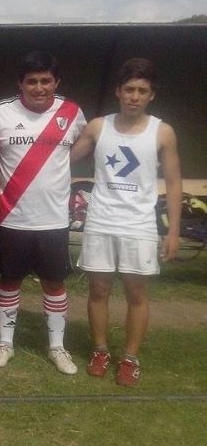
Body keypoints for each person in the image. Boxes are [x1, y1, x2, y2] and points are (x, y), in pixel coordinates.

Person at [71, 58, 181, 386]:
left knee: (136, 293)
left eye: (142, 91)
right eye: (129, 89)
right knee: (99, 290)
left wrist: (173, 231)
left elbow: (174, 183)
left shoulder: (162, 132)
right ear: (118, 91)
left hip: (140, 225)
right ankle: (100, 350)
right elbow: (59, 159)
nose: (134, 96)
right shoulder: (97, 127)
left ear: (151, 95)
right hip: (101, 221)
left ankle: (130, 358)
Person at [0, 51, 87, 374]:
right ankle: (5, 344)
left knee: (54, 283)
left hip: (53, 219)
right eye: (32, 81)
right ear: (21, 83)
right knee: (9, 281)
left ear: (56, 83)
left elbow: (81, 147)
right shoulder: (0, 112)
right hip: (12, 216)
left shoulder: (72, 113)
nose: (39, 87)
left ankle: (57, 347)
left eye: (46, 81)